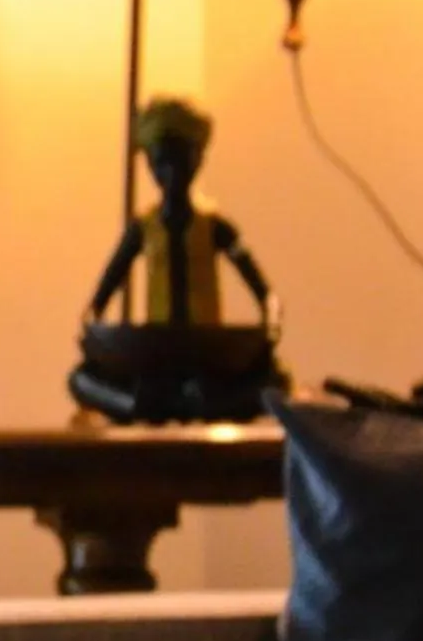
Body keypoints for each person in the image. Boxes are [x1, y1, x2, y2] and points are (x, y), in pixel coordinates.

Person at [71, 96, 288, 423]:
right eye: (161, 164)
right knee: (80, 380)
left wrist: (271, 323)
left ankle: (189, 404)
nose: (171, 174)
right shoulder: (143, 229)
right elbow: (108, 284)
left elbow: (265, 291)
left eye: (180, 162)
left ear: (198, 160)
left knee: (276, 381)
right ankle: (152, 405)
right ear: (150, 167)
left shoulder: (215, 227)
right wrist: (91, 325)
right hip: (155, 357)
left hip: (207, 356)